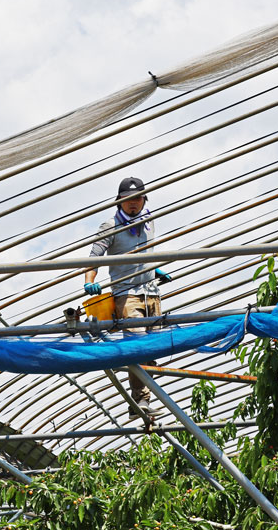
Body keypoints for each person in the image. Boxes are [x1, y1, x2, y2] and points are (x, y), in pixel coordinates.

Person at [83, 177, 172, 418]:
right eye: (128, 199)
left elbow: (146, 253)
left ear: (144, 199)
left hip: (152, 293)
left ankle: (143, 401)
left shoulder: (149, 221)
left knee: (152, 349)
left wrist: (154, 270)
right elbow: (94, 257)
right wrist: (89, 281)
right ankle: (139, 402)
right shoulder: (109, 226)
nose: (133, 203)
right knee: (137, 346)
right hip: (126, 295)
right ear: (119, 201)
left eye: (138, 198)